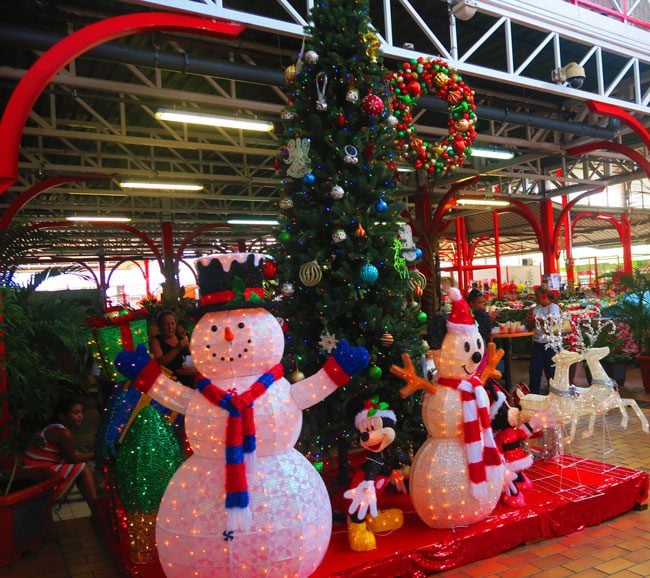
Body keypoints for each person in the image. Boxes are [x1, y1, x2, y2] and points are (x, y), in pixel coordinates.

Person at [23, 399, 98, 513]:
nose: (80, 416)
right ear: (63, 416)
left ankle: (96, 506)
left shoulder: (54, 427)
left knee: (81, 458)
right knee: (82, 468)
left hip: (33, 468)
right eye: (76, 413)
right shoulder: (62, 432)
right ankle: (96, 508)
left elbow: (70, 454)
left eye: (81, 412)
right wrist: (98, 453)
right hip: (37, 471)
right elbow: (71, 459)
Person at [525, 285, 561, 394]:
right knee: (534, 370)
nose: (536, 298)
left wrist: (536, 319)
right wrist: (530, 321)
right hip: (538, 343)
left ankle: (554, 394)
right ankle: (534, 394)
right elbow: (532, 325)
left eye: (537, 296)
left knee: (551, 371)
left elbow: (553, 322)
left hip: (551, 343)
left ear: (544, 296)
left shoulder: (554, 307)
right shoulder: (537, 308)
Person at [149, 310, 196, 387]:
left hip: (189, 376)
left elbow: (192, 356)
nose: (170, 327)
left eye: (172, 324)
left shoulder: (180, 337)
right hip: (171, 381)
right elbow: (160, 363)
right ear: (160, 326)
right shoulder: (156, 341)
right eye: (166, 324)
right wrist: (177, 348)